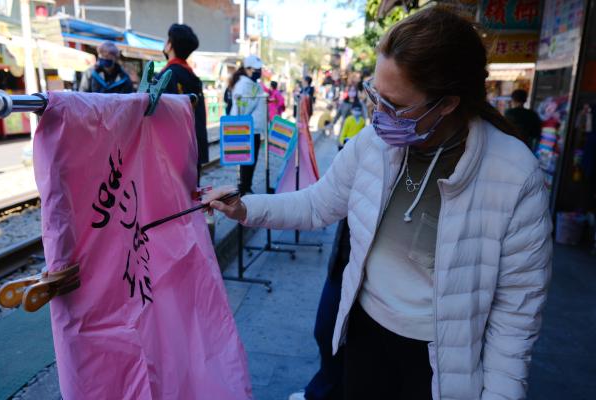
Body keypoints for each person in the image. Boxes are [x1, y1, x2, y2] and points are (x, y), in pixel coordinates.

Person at [205, 7, 552, 399]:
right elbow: (318, 205)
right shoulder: (374, 144)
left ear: (448, 104)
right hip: (365, 336)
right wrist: (245, 208)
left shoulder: (515, 174)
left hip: (441, 363)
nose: (378, 115)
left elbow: (516, 314)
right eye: (375, 96)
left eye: (395, 105)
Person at [159, 23, 209, 172]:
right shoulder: (191, 75)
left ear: (169, 46)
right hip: (192, 146)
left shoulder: (167, 75)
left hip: (172, 150)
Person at [230, 55, 266, 194]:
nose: (259, 72)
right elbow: (242, 107)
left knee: (251, 160)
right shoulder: (243, 85)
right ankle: (244, 188)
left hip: (254, 128)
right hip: (246, 128)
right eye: (256, 69)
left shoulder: (254, 85)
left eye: (260, 69)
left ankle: (247, 186)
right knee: (246, 159)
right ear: (248, 69)